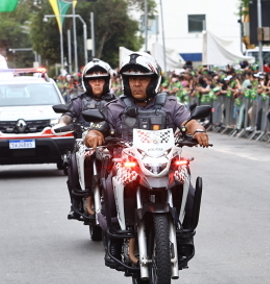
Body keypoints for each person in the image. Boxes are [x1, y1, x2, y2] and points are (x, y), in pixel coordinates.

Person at [84, 52, 210, 270]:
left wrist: (198, 130)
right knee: (111, 180)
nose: (137, 84)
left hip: (164, 162)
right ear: (125, 82)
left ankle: (184, 233)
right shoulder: (115, 107)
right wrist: (94, 135)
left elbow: (189, 122)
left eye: (142, 79)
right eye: (132, 79)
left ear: (154, 80)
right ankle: (115, 232)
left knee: (184, 174)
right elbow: (98, 127)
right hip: (129, 164)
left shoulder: (170, 105)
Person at [57, 59, 118, 220]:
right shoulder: (79, 102)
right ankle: (77, 201)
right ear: (86, 83)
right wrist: (62, 123)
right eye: (93, 81)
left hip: (110, 144)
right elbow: (67, 115)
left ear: (107, 82)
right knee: (72, 163)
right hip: (85, 145)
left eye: (100, 80)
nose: (97, 84)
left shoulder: (117, 102)